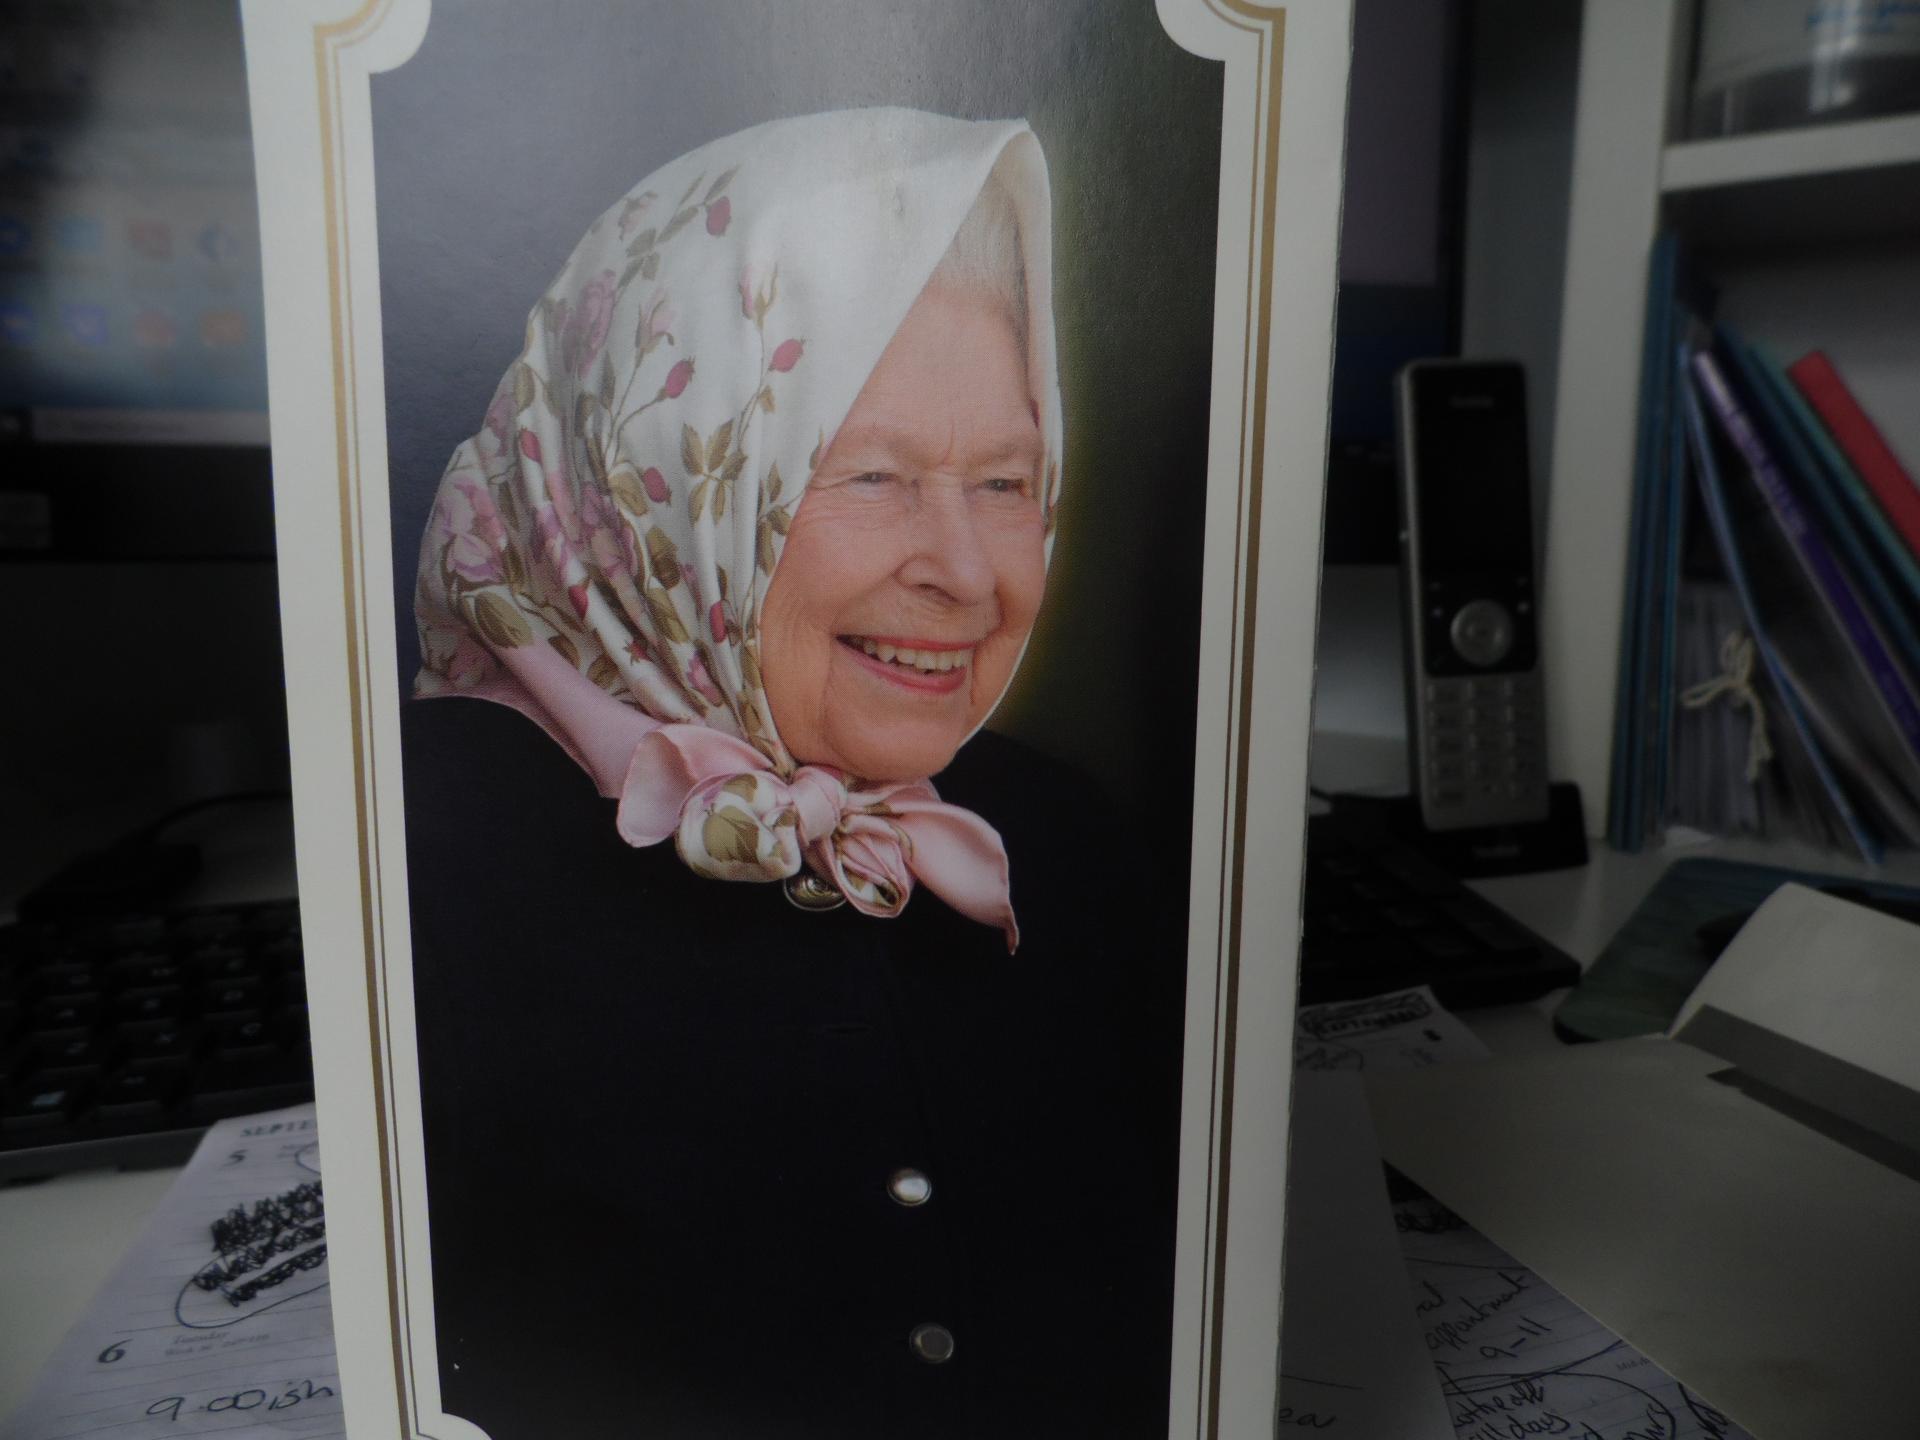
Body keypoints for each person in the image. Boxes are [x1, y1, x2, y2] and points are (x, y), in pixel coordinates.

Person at [401, 108, 1183, 1439]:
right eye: (869, 474)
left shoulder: (1065, 839)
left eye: (1005, 483)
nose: (968, 573)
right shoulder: (430, 853)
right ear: (655, 481)